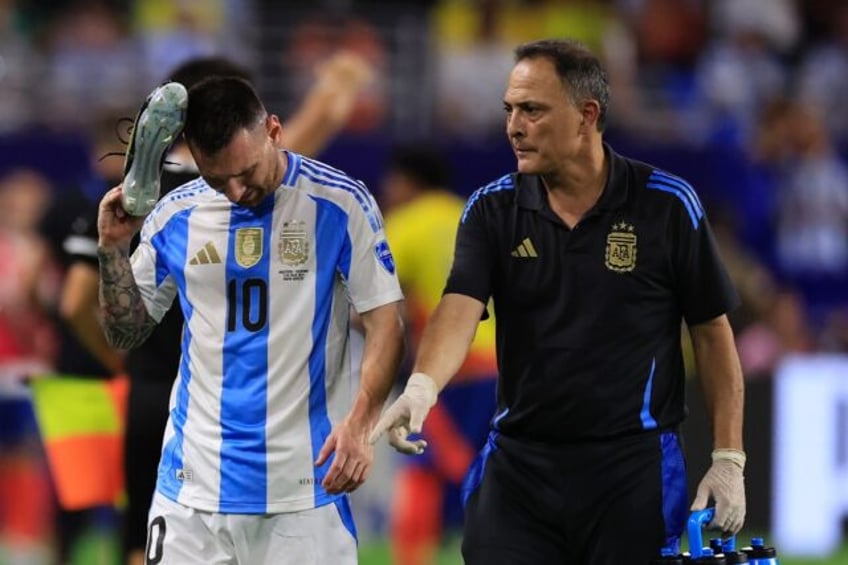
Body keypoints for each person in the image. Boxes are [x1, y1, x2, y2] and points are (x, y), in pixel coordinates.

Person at [370, 39, 746, 564]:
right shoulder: (492, 209)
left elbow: (712, 332)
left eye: (532, 110)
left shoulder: (666, 205)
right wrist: (421, 386)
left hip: (631, 470)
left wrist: (728, 458)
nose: (514, 126)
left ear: (586, 115)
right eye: (509, 110)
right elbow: (458, 306)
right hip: (521, 467)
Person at [63, 51, 376, 565]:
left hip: (148, 395)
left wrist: (114, 361)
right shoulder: (229, 188)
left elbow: (76, 300)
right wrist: (337, 86)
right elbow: (303, 140)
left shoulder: (137, 197)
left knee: (131, 546)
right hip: (208, 417)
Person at [380, 144, 497, 565]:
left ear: (408, 181)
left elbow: (370, 302)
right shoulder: (475, 213)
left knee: (421, 470)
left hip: (449, 371)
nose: (389, 190)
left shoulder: (408, 223)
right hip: (501, 369)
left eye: (393, 181)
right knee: (490, 472)